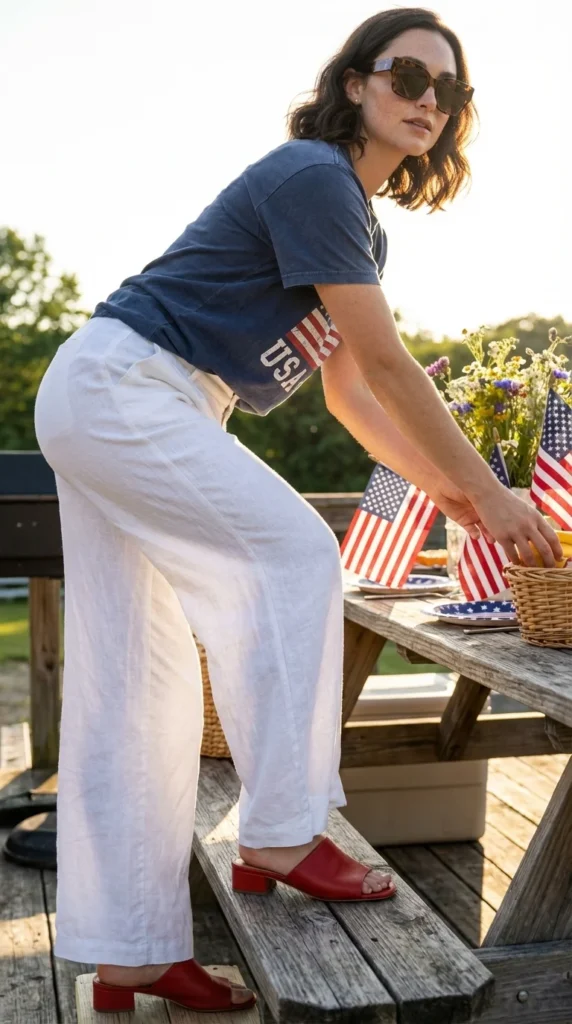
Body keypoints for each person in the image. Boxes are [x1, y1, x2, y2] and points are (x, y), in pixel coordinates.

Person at [33, 5, 562, 1016]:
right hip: (130, 386)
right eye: (408, 77)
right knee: (294, 555)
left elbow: (352, 399)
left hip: (122, 394)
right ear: (355, 82)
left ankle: (132, 953)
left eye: (448, 92)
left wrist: (453, 491)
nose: (427, 102)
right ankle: (280, 828)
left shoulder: (354, 222)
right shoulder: (316, 176)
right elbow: (385, 363)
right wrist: (491, 496)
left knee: (140, 681)